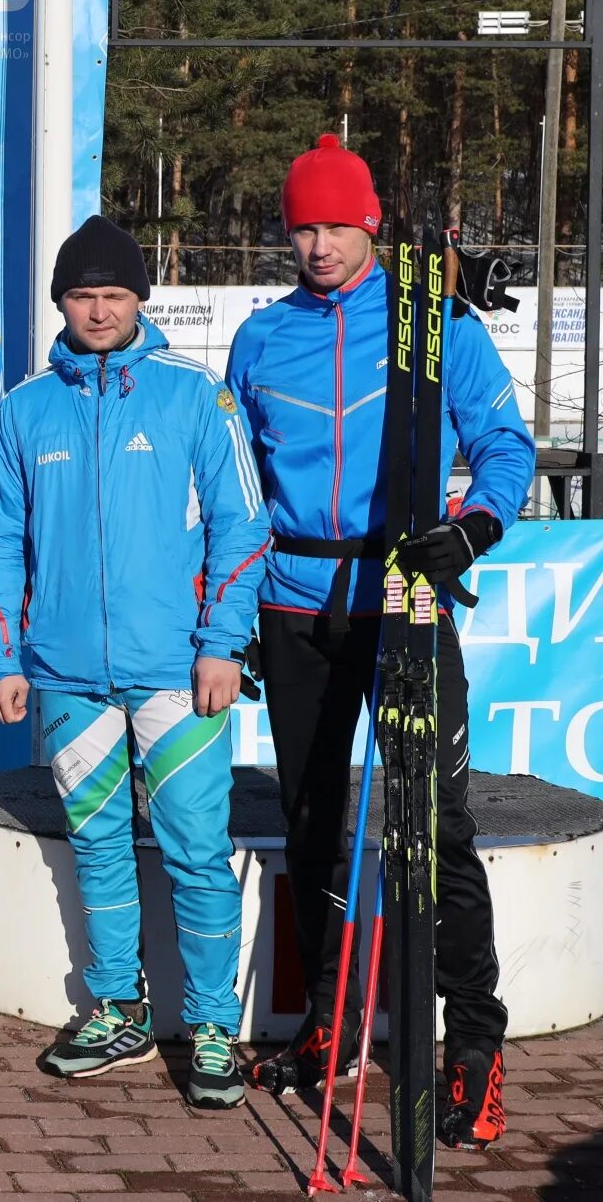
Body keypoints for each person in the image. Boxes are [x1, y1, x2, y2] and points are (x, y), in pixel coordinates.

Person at [225, 134, 533, 1148]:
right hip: (295, 600)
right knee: (312, 819)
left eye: (333, 226)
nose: (315, 245)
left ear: (368, 223)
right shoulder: (261, 339)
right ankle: (327, 1027)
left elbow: (501, 443)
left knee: (431, 824)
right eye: (299, 227)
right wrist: (237, 613)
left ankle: (471, 1048)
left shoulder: (432, 326)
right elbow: (238, 486)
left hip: (403, 591)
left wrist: (472, 527)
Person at [0, 215, 269, 1110]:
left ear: (140, 299)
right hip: (65, 675)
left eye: (113, 294)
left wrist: (221, 644)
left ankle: (215, 1023)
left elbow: (242, 527)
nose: (98, 309)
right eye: (81, 294)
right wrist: (1, 654)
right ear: (60, 301)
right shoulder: (25, 407)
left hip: (178, 674)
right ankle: (119, 1008)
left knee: (194, 848)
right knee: (99, 846)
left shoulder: (194, 395)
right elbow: (0, 542)